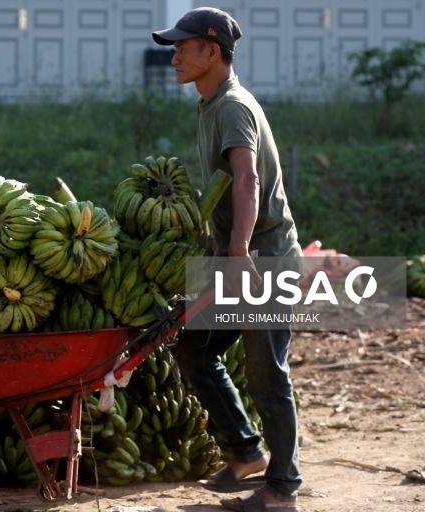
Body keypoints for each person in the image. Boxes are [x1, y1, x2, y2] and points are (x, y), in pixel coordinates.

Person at [152, 7, 303, 512]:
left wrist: (237, 252)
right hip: (235, 258)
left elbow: (246, 180)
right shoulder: (210, 104)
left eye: (182, 47)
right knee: (195, 350)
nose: (173, 57)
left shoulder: (234, 106)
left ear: (211, 51)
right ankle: (244, 454)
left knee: (267, 374)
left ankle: (282, 488)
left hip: (265, 259)